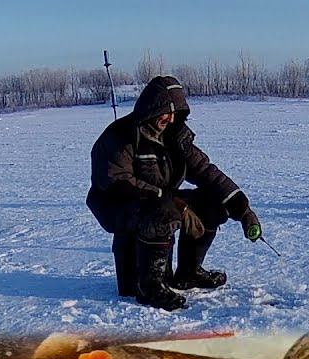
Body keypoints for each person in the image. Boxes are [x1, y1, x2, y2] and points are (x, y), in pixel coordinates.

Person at [87, 75, 262, 311]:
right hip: (117, 205)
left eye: (176, 113)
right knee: (164, 210)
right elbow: (118, 184)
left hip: (159, 201)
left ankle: (188, 273)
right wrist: (176, 204)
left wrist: (243, 209)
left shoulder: (175, 137)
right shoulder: (120, 136)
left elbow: (206, 172)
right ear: (152, 108)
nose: (170, 119)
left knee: (212, 203)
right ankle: (149, 286)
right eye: (166, 112)